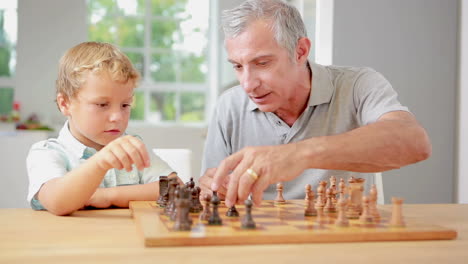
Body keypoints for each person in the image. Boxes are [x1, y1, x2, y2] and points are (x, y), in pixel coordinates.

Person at [199, 0, 431, 208]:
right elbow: (213, 189)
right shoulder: (229, 105)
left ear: (300, 51)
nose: (248, 84)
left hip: (343, 240)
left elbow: (414, 142)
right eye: (238, 66)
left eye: (262, 63)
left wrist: (299, 154)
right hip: (262, 241)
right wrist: (212, 186)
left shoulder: (359, 85)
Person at [26, 42, 181, 216]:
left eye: (125, 105)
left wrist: (108, 196)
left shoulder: (131, 147)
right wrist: (100, 162)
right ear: (65, 104)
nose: (117, 116)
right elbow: (56, 202)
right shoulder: (48, 152)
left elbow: (176, 187)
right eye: (102, 104)